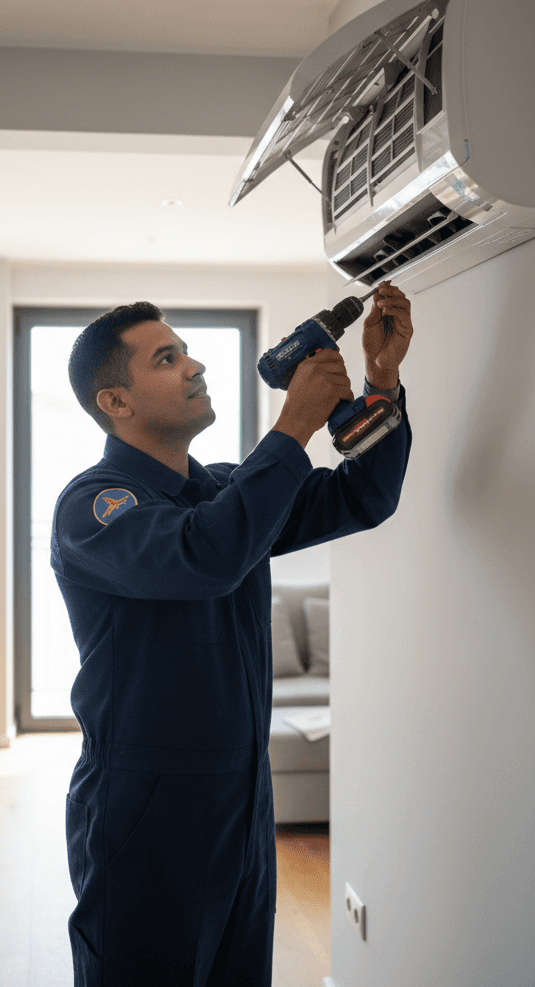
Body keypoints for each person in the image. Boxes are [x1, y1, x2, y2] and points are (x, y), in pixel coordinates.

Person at [51, 281, 414, 986]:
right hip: (145, 811)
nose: (193, 366)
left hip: (243, 801)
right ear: (116, 402)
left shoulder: (224, 490)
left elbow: (363, 495)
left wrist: (381, 382)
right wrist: (293, 427)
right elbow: (204, 556)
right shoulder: (93, 508)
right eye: (165, 359)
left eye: (186, 351)